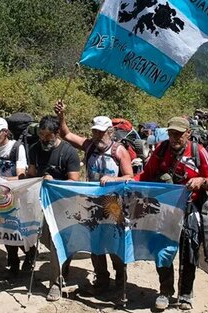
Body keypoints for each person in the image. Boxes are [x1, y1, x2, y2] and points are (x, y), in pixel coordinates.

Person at [135, 117, 208, 311]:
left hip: (190, 209)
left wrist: (200, 181)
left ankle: (185, 294)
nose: (174, 138)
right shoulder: (161, 150)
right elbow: (146, 175)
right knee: (162, 250)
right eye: (171, 134)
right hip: (164, 210)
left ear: (188, 133)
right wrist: (127, 181)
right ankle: (165, 291)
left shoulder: (198, 152)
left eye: (179, 134)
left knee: (188, 252)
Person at [54, 101, 134, 294]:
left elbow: (130, 177)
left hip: (114, 204)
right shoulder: (89, 146)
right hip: (91, 203)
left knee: (115, 242)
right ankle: (102, 280)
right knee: (95, 243)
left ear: (110, 132)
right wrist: (61, 116)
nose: (97, 135)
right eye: (94, 131)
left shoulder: (119, 151)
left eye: (101, 132)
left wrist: (113, 179)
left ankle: (121, 280)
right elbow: (66, 135)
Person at [27, 115, 81, 301]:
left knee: (55, 243)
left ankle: (55, 284)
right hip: (41, 203)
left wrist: (55, 182)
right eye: (41, 134)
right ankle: (63, 264)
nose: (43, 139)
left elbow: (74, 181)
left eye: (48, 136)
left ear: (57, 134)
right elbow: (32, 173)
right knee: (47, 241)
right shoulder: (34, 149)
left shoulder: (69, 152)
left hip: (63, 204)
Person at [0, 117, 34, 275]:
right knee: (5, 230)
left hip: (18, 195)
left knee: (19, 229)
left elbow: (21, 175)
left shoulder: (17, 148)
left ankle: (30, 254)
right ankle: (13, 264)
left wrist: (0, 179)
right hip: (0, 196)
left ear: (5, 132)